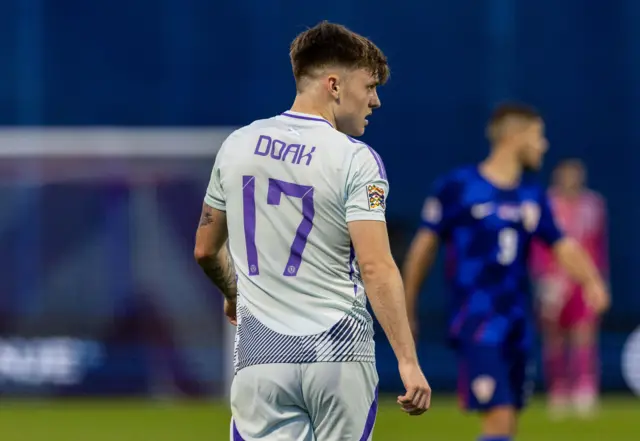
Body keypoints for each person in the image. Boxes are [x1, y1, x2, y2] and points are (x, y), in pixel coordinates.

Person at [194, 21, 431, 441]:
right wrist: (408, 362)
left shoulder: (237, 145)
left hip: (262, 358)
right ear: (335, 85)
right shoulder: (356, 159)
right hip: (339, 354)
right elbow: (375, 266)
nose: (375, 101)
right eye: (370, 86)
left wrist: (233, 294)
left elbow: (205, 250)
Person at [402, 103, 609, 441]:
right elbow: (423, 249)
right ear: (515, 136)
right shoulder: (459, 186)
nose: (543, 145)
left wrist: (591, 281)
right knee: (497, 420)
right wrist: (407, 304)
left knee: (509, 420)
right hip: (478, 322)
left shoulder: (532, 194)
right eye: (538, 136)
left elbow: (562, 244)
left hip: (516, 322)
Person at [529, 159, 608, 418]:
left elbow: (598, 245)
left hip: (582, 280)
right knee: (554, 336)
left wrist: (596, 279)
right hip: (553, 280)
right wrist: (544, 278)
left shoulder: (593, 205)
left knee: (584, 333)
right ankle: (558, 388)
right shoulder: (547, 203)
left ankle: (585, 387)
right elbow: (539, 245)